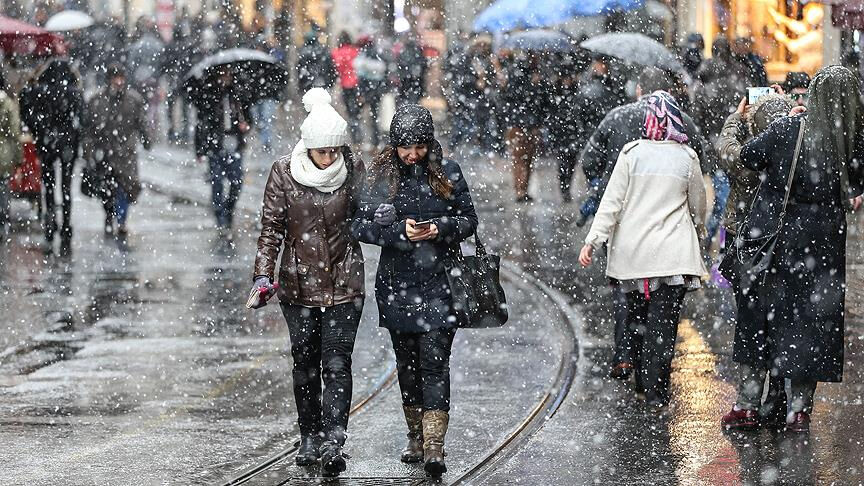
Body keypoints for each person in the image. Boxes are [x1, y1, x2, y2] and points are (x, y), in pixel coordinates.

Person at [724, 65, 864, 432]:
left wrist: (742, 122)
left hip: (779, 241)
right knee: (812, 325)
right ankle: (798, 411)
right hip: (824, 248)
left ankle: (748, 404)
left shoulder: (791, 129)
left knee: (761, 321)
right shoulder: (851, 141)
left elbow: (747, 157)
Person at [352, 104, 478, 478]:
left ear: (429, 143)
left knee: (435, 363)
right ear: (394, 145)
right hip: (397, 286)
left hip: (441, 284)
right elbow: (358, 227)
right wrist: (396, 233)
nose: (412, 154)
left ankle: (435, 445)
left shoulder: (449, 172)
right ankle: (415, 436)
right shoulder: (379, 178)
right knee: (407, 367)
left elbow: (468, 220)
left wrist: (439, 228)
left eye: (419, 146)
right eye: (406, 147)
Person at [252, 88, 365, 476]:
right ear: (307, 146)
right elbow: (271, 229)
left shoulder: (353, 169)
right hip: (297, 287)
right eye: (323, 151)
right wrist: (263, 275)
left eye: (335, 150)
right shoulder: (284, 171)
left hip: (345, 284)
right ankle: (310, 434)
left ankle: (334, 437)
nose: (330, 157)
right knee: (305, 364)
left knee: (337, 363)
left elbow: (367, 215)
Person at [578, 67, 712, 380]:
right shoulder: (684, 130)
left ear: (640, 90)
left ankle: (626, 353)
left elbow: (591, 163)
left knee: (626, 292)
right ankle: (655, 380)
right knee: (663, 316)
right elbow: (702, 176)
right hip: (670, 242)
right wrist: (700, 231)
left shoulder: (618, 122)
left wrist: (594, 232)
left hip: (627, 228)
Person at [716, 92, 793, 430]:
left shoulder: (751, 155)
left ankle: (747, 403)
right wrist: (785, 103)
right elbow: (785, 124)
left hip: (747, 242)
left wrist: (737, 117)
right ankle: (778, 399)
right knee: (782, 321)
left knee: (751, 320)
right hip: (784, 242)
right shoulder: (794, 147)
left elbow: (726, 150)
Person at [19, 59, 84, 250]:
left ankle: (50, 221)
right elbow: (83, 118)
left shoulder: (39, 91)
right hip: (67, 144)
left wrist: (39, 130)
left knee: (48, 185)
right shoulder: (73, 92)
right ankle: (66, 224)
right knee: (66, 187)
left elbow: (26, 109)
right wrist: (74, 136)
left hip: (47, 141)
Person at [84, 63, 151, 237]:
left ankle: (121, 221)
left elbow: (141, 122)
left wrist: (146, 139)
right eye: (116, 78)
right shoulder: (97, 100)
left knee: (126, 188)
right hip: (105, 152)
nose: (119, 82)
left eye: (121, 78)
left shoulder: (133, 100)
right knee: (107, 189)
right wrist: (89, 151)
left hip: (126, 153)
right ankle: (108, 216)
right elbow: (90, 128)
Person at [192, 68, 252, 236]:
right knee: (217, 182)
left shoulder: (238, 96)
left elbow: (248, 118)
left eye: (229, 74)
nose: (226, 77)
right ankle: (220, 216)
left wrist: (245, 126)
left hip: (234, 144)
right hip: (216, 146)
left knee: (236, 182)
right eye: (223, 74)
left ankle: (229, 209)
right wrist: (199, 149)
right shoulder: (209, 96)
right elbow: (201, 124)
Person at [500, 51, 550, 202]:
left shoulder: (529, 74)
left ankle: (523, 189)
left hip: (528, 124)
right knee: (521, 159)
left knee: (527, 159)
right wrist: (534, 86)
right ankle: (520, 190)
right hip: (522, 124)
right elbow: (517, 97)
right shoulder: (520, 74)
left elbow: (543, 101)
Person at [354, 36, 389, 148]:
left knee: (359, 116)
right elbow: (384, 74)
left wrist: (360, 92)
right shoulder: (378, 56)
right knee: (374, 117)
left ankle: (360, 140)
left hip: (366, 90)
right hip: (376, 91)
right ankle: (375, 142)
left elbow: (360, 76)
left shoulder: (362, 57)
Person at [0, 70, 22, 237]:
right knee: (3, 188)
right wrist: (19, 159)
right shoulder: (7, 103)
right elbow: (14, 133)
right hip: (3, 153)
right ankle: (2, 222)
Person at [332, 32, 361, 145]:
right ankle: (358, 135)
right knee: (356, 111)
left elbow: (336, 69)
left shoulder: (336, 53)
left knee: (349, 111)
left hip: (345, 85)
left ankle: (354, 137)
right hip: (356, 84)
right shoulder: (356, 51)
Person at [396, 36, 427, 105]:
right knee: (414, 98)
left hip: (407, 80)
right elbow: (424, 64)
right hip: (414, 80)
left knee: (407, 98)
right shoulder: (418, 52)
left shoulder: (404, 51)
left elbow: (400, 64)